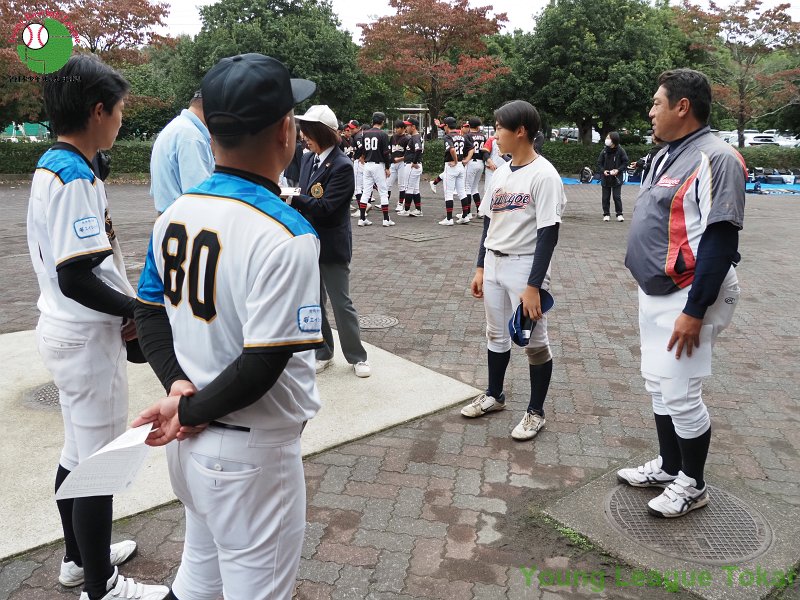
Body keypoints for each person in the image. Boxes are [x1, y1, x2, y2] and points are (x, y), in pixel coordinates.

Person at [132, 53, 321, 599]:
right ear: (285, 130)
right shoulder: (288, 232)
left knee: (197, 584)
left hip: (191, 448)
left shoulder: (175, 212)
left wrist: (177, 387)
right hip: (249, 454)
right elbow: (264, 362)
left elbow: (147, 311)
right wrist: (187, 410)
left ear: (211, 131)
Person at [27, 54, 168, 600]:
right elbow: (76, 275)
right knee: (98, 466)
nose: (122, 119)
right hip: (85, 336)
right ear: (97, 111)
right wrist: (135, 310)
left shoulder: (54, 164)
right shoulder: (74, 177)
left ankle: (77, 559)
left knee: (76, 454)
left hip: (66, 331)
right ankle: (101, 586)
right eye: (119, 109)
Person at [617, 69, 745, 518]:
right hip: (655, 290)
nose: (650, 111)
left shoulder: (717, 158)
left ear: (682, 107)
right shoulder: (664, 156)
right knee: (657, 382)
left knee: (681, 392)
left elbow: (720, 240)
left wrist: (694, 310)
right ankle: (670, 467)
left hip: (690, 293)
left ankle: (693, 484)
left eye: (657, 103)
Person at [461, 100, 566, 442]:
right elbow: (488, 222)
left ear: (520, 131)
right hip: (494, 261)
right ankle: (495, 395)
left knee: (534, 340)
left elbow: (548, 234)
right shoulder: (501, 172)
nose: (495, 135)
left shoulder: (545, 175)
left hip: (525, 264)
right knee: (495, 334)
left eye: (499, 128)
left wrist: (533, 286)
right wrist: (480, 266)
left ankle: (536, 412)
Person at [290, 104, 371, 378]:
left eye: (308, 132)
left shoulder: (342, 165)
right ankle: (323, 352)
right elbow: (304, 193)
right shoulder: (307, 159)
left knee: (341, 302)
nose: (304, 137)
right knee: (314, 301)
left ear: (322, 133)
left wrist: (294, 198)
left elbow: (327, 207)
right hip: (308, 241)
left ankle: (357, 356)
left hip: (331, 244)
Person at [149, 90, 215, 215]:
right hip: (183, 218)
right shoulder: (191, 137)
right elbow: (199, 195)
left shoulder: (177, 127)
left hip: (168, 215)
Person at [359, 112, 393, 226]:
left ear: (372, 121)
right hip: (378, 165)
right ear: (382, 121)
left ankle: (362, 218)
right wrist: (387, 167)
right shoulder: (383, 134)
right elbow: (386, 153)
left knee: (366, 192)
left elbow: (363, 150)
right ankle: (386, 219)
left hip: (367, 164)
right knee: (383, 192)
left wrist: (363, 157)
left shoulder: (365, 133)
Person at [438, 116, 473, 225]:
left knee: (448, 193)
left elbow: (452, 149)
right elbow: (472, 148)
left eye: (444, 126)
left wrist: (455, 161)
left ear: (447, 126)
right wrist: (466, 160)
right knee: (462, 192)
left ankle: (449, 219)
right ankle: (465, 216)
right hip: (461, 166)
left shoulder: (448, 136)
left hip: (452, 165)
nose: (444, 128)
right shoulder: (461, 136)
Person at [596, 131, 629, 222]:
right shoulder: (604, 151)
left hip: (616, 178)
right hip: (606, 178)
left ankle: (619, 214)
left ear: (614, 140)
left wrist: (618, 170)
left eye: (608, 138)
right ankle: (606, 214)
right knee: (605, 197)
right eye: (607, 138)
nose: (607, 140)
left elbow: (625, 162)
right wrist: (603, 171)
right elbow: (599, 163)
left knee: (616, 197)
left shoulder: (620, 150)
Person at [399, 117, 424, 217]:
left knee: (408, 189)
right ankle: (418, 210)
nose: (406, 128)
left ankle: (406, 210)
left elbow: (418, 149)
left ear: (413, 127)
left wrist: (414, 162)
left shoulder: (415, 137)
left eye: (408, 126)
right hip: (415, 166)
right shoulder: (415, 137)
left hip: (412, 166)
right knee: (415, 189)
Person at [465, 117, 487, 215]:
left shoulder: (468, 136)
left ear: (469, 125)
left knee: (467, 188)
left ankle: (468, 213)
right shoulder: (483, 136)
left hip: (471, 162)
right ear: (478, 126)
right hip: (481, 163)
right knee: (474, 188)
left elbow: (466, 149)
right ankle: (479, 211)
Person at [388, 119, 410, 212]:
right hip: (393, 163)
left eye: (398, 128)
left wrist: (400, 159)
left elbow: (409, 154)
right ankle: (384, 202)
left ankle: (400, 203)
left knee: (401, 184)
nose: (396, 129)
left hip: (402, 163)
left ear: (403, 128)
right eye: (395, 127)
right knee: (388, 184)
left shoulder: (407, 139)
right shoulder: (392, 137)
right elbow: (389, 150)